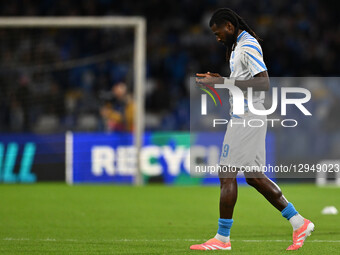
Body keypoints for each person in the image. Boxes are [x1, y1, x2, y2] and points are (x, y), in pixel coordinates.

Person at [190, 8, 314, 251]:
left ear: (228, 26)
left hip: (247, 117)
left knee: (226, 174)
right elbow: (245, 81)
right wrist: (222, 80)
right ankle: (299, 222)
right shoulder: (239, 45)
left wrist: (222, 82)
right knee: (254, 177)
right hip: (249, 115)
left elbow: (263, 82)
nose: (217, 38)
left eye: (218, 33)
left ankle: (222, 238)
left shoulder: (247, 45)